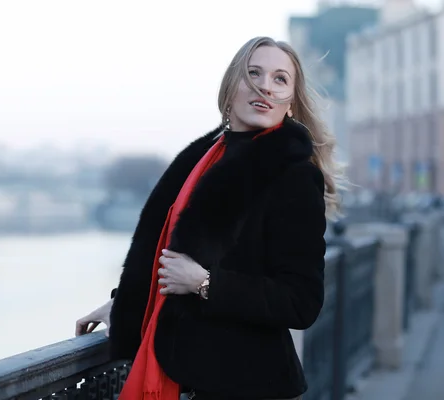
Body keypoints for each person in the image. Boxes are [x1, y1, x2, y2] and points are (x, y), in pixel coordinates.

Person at [75, 36, 344, 400]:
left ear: (290, 103)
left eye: (280, 79)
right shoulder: (205, 158)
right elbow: (171, 250)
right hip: (188, 375)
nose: (265, 85)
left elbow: (301, 301)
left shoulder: (292, 176)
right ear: (231, 86)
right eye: (254, 73)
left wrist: (205, 283)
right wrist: (125, 304)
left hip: (245, 385)